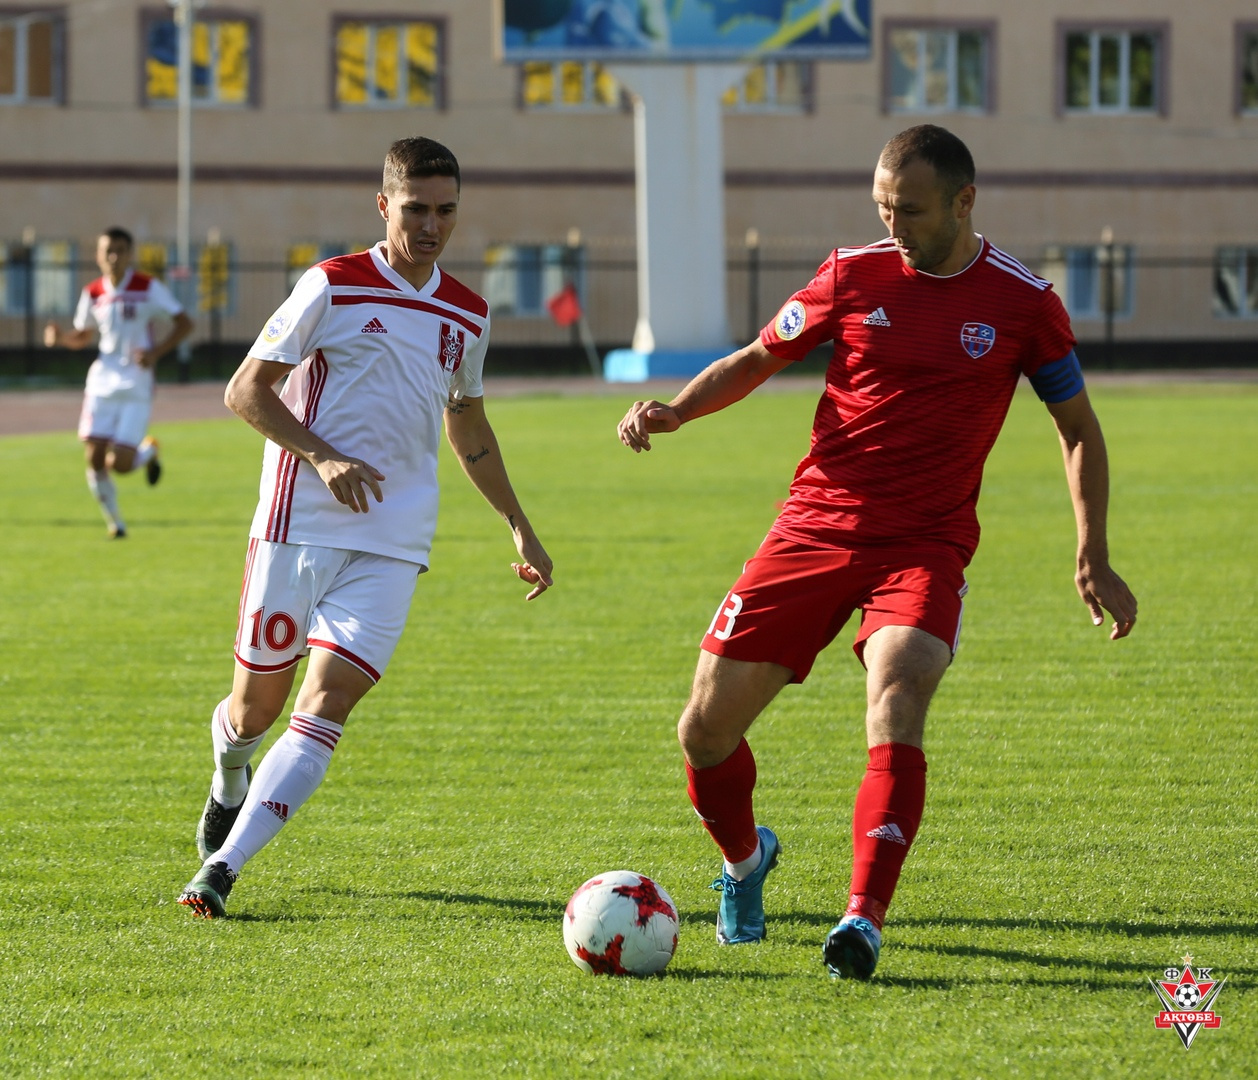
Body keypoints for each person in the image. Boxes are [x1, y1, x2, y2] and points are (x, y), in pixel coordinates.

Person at [617, 124, 1137, 980]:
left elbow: (1077, 427)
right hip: (814, 528)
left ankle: (862, 919)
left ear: (965, 202)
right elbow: (759, 356)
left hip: (925, 545)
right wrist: (678, 409)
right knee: (704, 732)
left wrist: (1094, 551)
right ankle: (745, 864)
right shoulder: (851, 274)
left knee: (898, 692)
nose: (893, 225)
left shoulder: (1023, 303)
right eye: (883, 207)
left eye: (911, 210)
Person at [178, 136, 553, 918]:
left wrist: (517, 522)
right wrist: (321, 457)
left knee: (327, 703)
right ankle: (230, 771)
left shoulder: (468, 313)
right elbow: (245, 391)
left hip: (395, 538)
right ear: (384, 205)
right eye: (415, 209)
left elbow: (467, 426)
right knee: (253, 713)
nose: (431, 226)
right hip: (298, 523)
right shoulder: (332, 285)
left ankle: (222, 868)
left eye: (446, 211)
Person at [44, 227, 193, 538]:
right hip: (101, 382)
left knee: (122, 464)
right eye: (108, 251)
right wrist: (61, 339)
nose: (114, 257)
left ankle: (149, 451)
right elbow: (84, 335)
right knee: (94, 456)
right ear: (98, 256)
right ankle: (116, 524)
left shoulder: (148, 287)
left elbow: (185, 323)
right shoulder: (93, 293)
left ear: (129, 254)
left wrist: (155, 353)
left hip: (136, 383)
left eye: (120, 250)